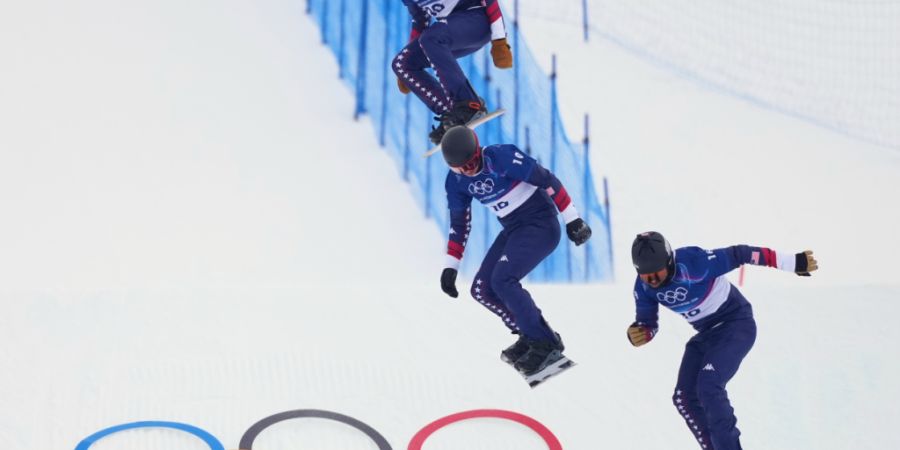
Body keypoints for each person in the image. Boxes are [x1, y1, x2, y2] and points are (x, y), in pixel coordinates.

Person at [627, 231, 819, 450]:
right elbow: (647, 323)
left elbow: (741, 254)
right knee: (683, 398)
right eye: (645, 275)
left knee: (708, 385)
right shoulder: (642, 288)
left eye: (657, 274)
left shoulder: (693, 263)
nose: (652, 281)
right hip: (706, 334)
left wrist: (792, 262)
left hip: (736, 324)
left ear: (670, 261)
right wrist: (640, 333)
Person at [436, 126, 592, 383]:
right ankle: (530, 335)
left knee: (503, 280)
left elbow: (548, 180)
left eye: (474, 163)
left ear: (479, 151)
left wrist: (573, 220)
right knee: (481, 290)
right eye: (462, 169)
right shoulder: (456, 182)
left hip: (540, 224)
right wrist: (450, 266)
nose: (470, 171)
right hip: (514, 228)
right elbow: (460, 224)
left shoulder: (501, 158)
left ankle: (544, 342)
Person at [392, 0, 512, 145]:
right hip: (450, 32)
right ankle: (453, 115)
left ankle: (469, 104)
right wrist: (409, 62)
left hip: (478, 21)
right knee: (402, 63)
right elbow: (420, 20)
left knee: (431, 38)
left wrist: (499, 40)